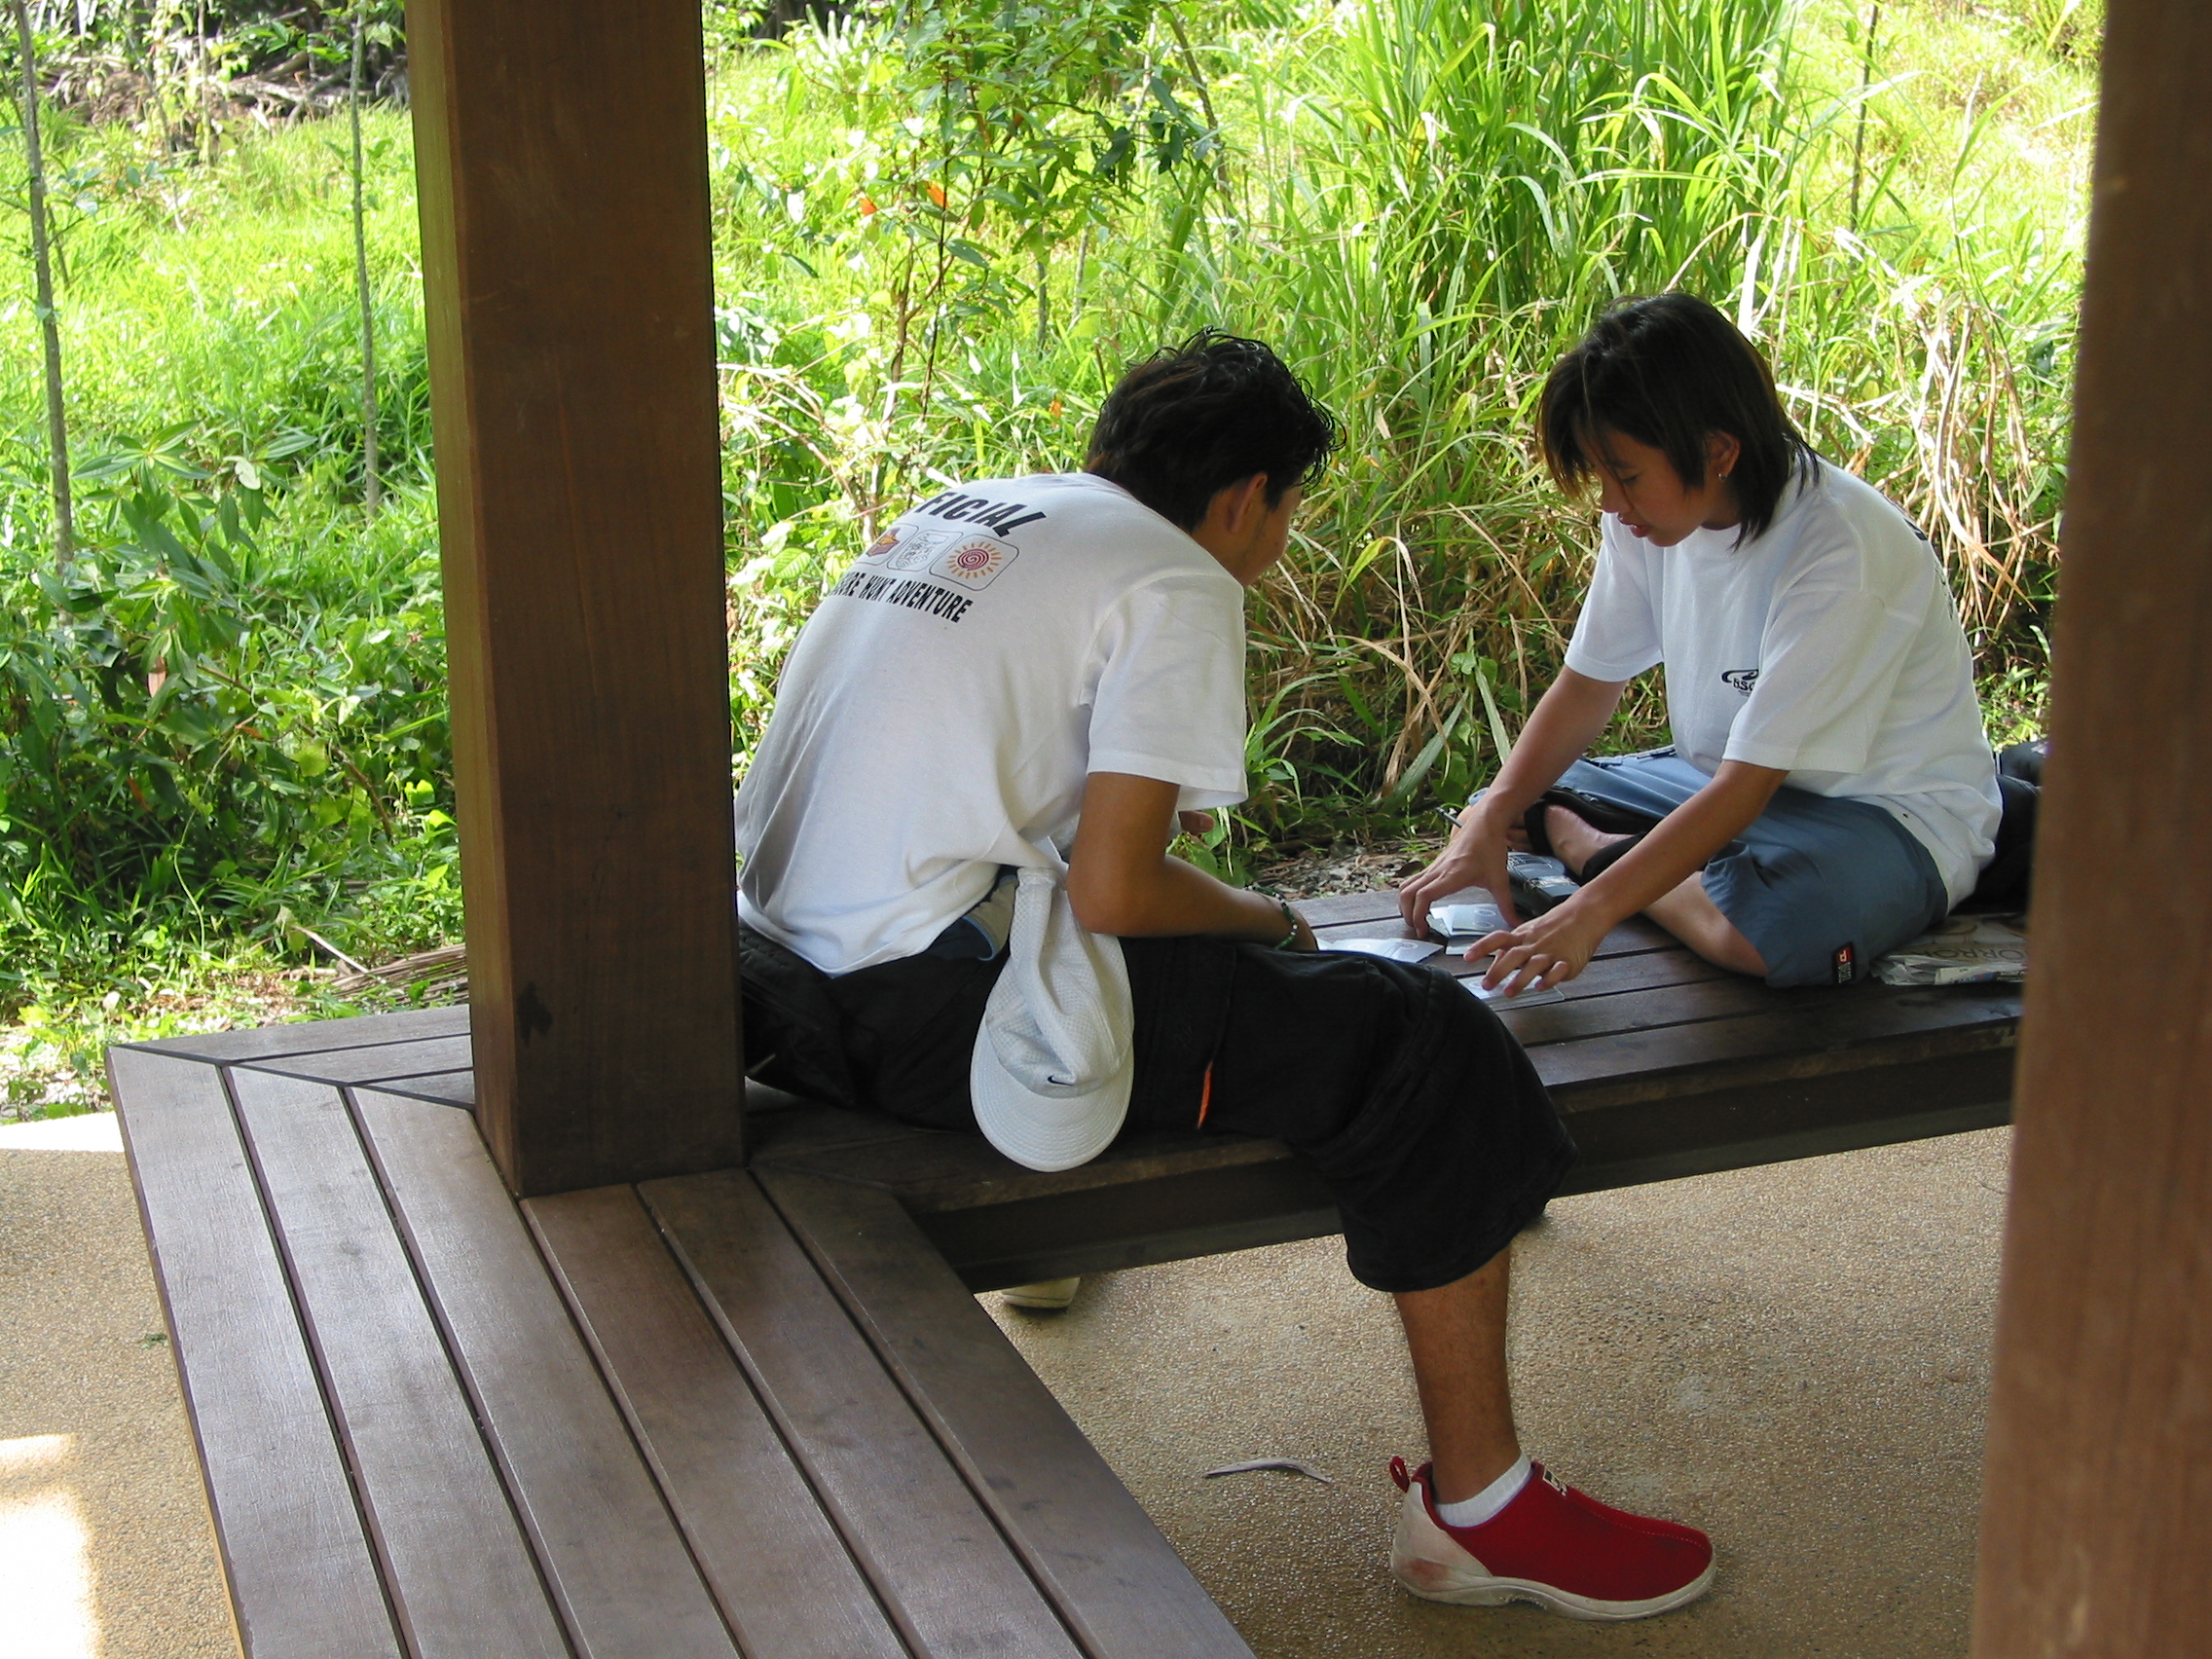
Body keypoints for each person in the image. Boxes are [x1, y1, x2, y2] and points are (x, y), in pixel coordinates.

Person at [734, 330, 1714, 1621]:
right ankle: (1480, 1512)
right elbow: (1122, 892)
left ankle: (1074, 1235)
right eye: (1291, 509)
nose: (1281, 538)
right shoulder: (1176, 574)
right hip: (929, 1026)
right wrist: (1272, 921)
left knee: (1259, 1007)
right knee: (1423, 1041)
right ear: (1249, 494)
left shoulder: (972, 513)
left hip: (772, 990)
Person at [1401, 294, 2003, 994]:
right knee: (1495, 804)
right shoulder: (1647, 521)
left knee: (1780, 933)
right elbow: (1588, 686)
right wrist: (1493, 816)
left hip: (1883, 815)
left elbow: (1747, 790)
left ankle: (1586, 844)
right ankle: (1637, 859)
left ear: (1717, 450)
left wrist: (1590, 907)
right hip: (1719, 782)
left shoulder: (1841, 549)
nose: (1607, 502)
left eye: (1624, 474)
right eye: (1600, 475)